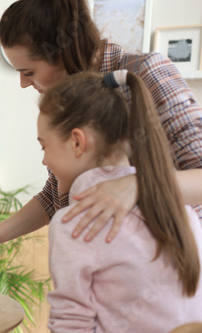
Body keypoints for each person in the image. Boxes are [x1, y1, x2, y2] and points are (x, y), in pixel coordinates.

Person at [0, 0, 202, 280]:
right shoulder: (68, 98)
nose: (24, 84)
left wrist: (135, 185)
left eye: (28, 72)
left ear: (62, 53)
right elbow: (53, 197)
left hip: (175, 276)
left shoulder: (145, 73)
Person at [40, 70, 202, 332]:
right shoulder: (184, 210)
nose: (44, 160)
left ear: (77, 142)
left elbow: (71, 325)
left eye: (43, 146)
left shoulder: (73, 222)